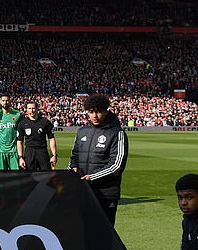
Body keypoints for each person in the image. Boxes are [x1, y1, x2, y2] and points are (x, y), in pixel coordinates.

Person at [67, 94, 128, 225]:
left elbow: (117, 165)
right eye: (91, 112)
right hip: (83, 191)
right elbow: (74, 155)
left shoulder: (117, 133)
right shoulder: (82, 131)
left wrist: (92, 177)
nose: (94, 115)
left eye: (98, 111)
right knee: (82, 230)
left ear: (106, 111)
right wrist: (72, 168)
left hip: (105, 193)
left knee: (104, 232)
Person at [16, 101, 58, 171]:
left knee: (46, 175)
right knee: (29, 176)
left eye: (33, 108)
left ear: (37, 109)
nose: (31, 111)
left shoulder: (45, 122)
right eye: (29, 108)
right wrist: (20, 157)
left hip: (42, 152)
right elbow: (19, 141)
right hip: (29, 153)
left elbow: (51, 139)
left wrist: (54, 155)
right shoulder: (22, 123)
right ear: (26, 109)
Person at [0, 95, 22, 171]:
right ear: (0, 102)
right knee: (1, 175)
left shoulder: (17, 114)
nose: (5, 102)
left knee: (15, 174)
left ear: (10, 101)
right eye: (3, 101)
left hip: (13, 149)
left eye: (7, 100)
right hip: (0, 149)